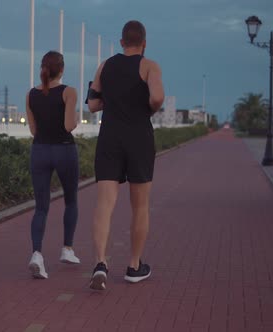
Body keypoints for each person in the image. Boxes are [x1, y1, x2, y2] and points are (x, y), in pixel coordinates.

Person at [87, 20, 165, 290]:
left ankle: (100, 263)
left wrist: (114, 99)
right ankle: (133, 266)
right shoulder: (149, 65)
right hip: (139, 138)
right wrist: (146, 107)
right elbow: (157, 98)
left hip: (110, 138)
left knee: (104, 203)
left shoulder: (105, 66)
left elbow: (93, 104)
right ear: (144, 43)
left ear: (122, 42)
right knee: (140, 205)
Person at [25, 51, 80, 279]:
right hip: (64, 150)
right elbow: (68, 125)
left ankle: (37, 254)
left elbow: (34, 130)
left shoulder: (31, 95)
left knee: (41, 207)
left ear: (43, 69)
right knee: (71, 200)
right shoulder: (69, 92)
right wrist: (75, 117)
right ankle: (67, 249)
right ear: (62, 69)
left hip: (39, 151)